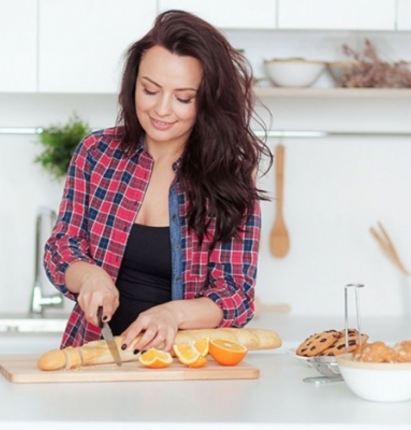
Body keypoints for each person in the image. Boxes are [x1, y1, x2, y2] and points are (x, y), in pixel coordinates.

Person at [44, 10, 271, 354]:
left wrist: (172, 314)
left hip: (182, 368)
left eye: (183, 98)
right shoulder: (96, 153)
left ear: (207, 101)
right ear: (133, 84)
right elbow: (62, 247)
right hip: (91, 357)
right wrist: (89, 275)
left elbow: (235, 295)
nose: (162, 109)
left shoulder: (230, 176)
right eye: (150, 90)